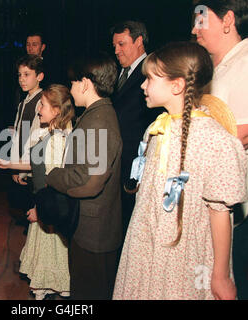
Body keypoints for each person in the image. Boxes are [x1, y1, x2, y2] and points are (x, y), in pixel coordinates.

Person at [112, 41, 247, 300]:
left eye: (150, 79)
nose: (143, 86)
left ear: (177, 85)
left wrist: (220, 275)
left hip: (183, 258)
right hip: (145, 250)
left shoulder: (216, 141)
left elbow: (220, 213)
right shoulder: (155, 130)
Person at [46, 52, 122, 300]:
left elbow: (88, 182)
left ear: (86, 83)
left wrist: (53, 174)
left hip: (94, 231)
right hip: (89, 225)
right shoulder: (94, 115)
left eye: (73, 83)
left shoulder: (98, 121)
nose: (71, 88)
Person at [191, 0, 248, 299]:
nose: (194, 30)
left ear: (227, 20)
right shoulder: (216, 69)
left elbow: (240, 134)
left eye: (201, 21)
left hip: (236, 207)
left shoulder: (245, 63)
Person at [0, 84, 74, 300]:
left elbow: (53, 182)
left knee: (51, 259)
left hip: (48, 209)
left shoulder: (58, 140)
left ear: (56, 111)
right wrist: (6, 164)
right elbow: (36, 164)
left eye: (43, 105)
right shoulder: (50, 133)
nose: (38, 109)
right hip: (42, 204)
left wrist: (38, 209)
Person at [111, 21, 164, 238]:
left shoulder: (153, 72)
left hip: (136, 166)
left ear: (139, 41)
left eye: (122, 44)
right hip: (119, 163)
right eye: (114, 45)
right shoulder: (119, 74)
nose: (116, 50)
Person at [7, 55, 44, 231]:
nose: (22, 79)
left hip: (33, 168)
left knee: (36, 215)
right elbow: (17, 137)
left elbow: (36, 140)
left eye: (27, 74)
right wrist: (16, 167)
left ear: (39, 76)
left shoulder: (41, 102)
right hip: (22, 165)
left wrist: (22, 169)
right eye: (20, 75)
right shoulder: (23, 103)